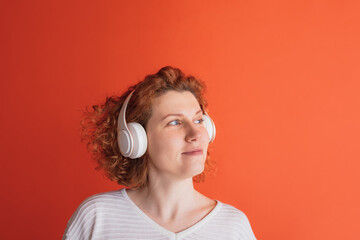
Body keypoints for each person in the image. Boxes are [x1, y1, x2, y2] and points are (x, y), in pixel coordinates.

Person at [62, 66, 257, 240]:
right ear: (136, 139)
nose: (196, 134)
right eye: (175, 122)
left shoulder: (233, 227)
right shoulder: (96, 218)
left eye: (198, 121)